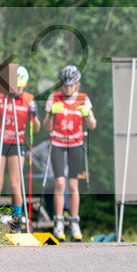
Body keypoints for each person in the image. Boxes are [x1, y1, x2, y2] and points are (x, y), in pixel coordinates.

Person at [0, 66, 40, 233]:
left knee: (15, 184)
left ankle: (16, 223)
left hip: (17, 143)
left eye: (20, 88)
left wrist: (34, 114)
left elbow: (35, 128)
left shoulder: (29, 99)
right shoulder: (0, 97)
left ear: (25, 85)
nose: (16, 91)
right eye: (14, 88)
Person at [42, 64, 96, 241]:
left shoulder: (83, 98)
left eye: (71, 85)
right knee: (59, 183)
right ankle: (58, 222)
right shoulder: (55, 97)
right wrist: (51, 114)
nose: (67, 89)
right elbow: (45, 126)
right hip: (57, 141)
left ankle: (74, 222)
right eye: (65, 85)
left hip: (75, 143)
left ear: (77, 84)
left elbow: (93, 125)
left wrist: (87, 114)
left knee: (73, 185)